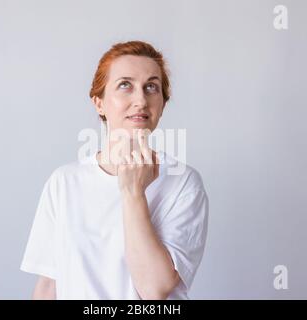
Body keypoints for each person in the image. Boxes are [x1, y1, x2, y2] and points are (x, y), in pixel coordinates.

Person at [20, 40, 209, 300]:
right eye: (125, 85)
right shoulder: (64, 182)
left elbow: (154, 289)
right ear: (99, 103)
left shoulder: (184, 183)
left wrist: (133, 192)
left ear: (162, 104)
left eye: (151, 87)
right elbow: (49, 286)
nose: (141, 100)